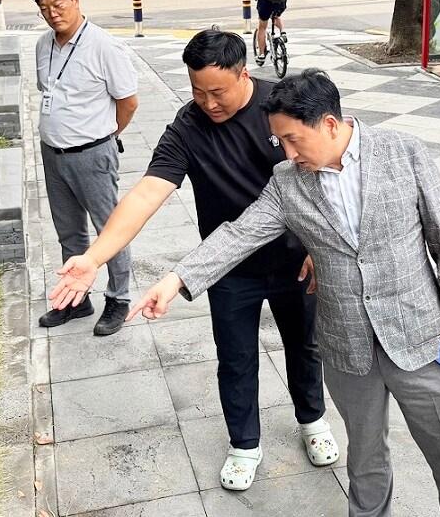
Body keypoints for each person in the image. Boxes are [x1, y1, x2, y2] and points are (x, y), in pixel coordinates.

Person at [129, 69, 440, 517]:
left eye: (292, 139)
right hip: (346, 338)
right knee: (365, 448)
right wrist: (176, 280)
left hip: (418, 334)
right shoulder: (288, 181)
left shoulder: (402, 152)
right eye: (278, 141)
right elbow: (239, 234)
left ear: (329, 124)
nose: (285, 152)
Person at [49, 30, 338, 492]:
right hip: (225, 266)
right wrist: (93, 257)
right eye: (196, 90)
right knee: (236, 358)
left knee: (306, 346)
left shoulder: (279, 110)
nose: (208, 102)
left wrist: (325, 250)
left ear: (244, 74)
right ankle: (244, 445)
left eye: (217, 91)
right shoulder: (187, 126)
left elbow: (325, 176)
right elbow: (147, 193)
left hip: (295, 260)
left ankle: (313, 421)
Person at [30, 0, 139, 336]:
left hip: (92, 153)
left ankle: (118, 299)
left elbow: (128, 102)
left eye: (58, 5)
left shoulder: (104, 46)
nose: (52, 14)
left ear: (76, 0)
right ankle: (75, 300)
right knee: (68, 233)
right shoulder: (43, 45)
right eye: (44, 8)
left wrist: (107, 138)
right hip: (53, 152)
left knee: (110, 230)